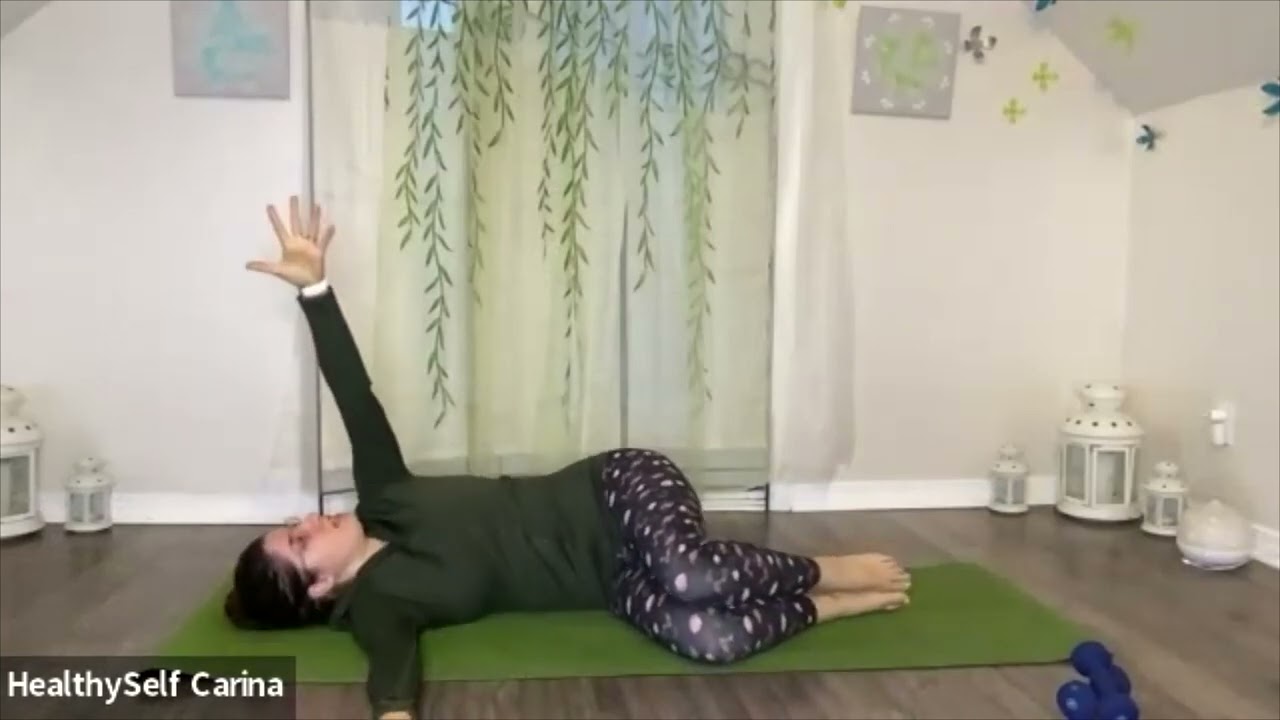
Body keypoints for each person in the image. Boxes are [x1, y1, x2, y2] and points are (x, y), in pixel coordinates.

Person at [228, 197, 914, 720]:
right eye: (299, 542)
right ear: (319, 588)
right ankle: (822, 607)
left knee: (692, 574)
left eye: (295, 524)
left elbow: (354, 394)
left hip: (617, 490)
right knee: (710, 638)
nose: (309, 520)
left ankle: (826, 570)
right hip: (615, 581)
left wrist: (314, 291)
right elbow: (392, 671)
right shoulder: (380, 604)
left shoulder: (384, 493)